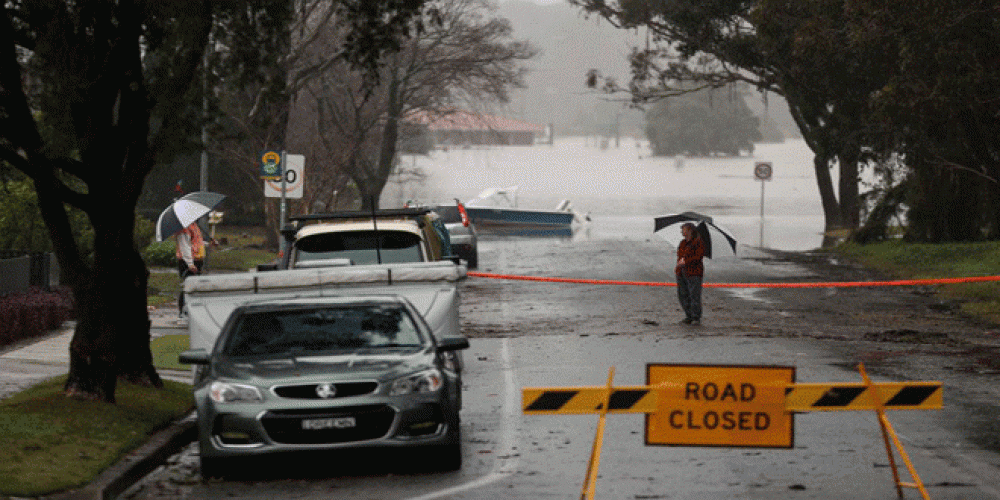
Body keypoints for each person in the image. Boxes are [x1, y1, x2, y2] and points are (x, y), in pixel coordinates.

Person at [675, 222, 705, 325]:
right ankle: (688, 316)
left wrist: (686, 261)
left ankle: (696, 317)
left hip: (694, 273)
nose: (682, 231)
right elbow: (679, 254)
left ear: (690, 230)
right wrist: (679, 264)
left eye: (683, 229)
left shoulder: (698, 243)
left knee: (694, 295)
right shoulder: (683, 243)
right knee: (683, 294)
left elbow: (698, 257)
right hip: (681, 272)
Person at [175, 221, 206, 316]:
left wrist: (208, 244)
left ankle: (192, 310)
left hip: (196, 261)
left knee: (194, 287)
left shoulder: (194, 225)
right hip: (188, 262)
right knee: (188, 287)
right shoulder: (184, 228)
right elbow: (184, 246)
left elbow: (196, 242)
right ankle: (183, 310)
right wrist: (190, 264)